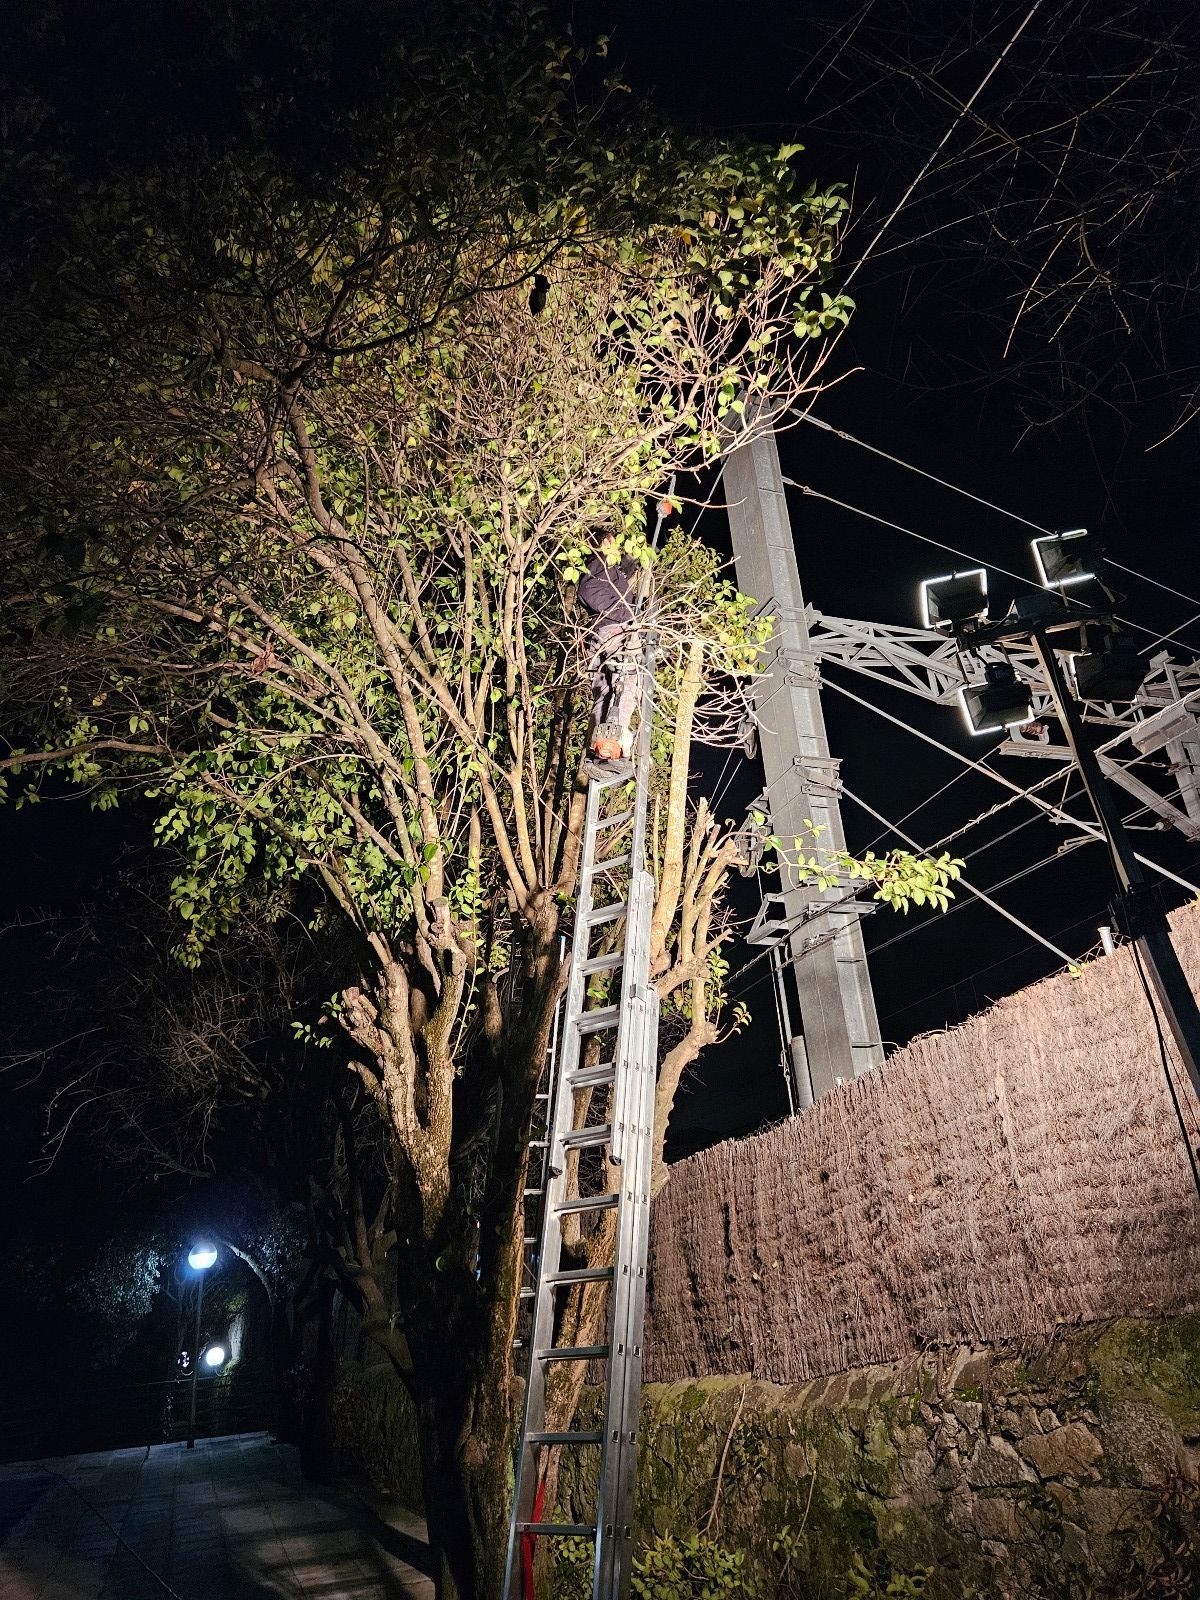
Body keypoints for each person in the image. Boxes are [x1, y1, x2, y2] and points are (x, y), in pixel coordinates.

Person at [577, 533, 644, 776]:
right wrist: (633, 618)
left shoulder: (609, 570)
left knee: (606, 691)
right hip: (613, 633)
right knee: (626, 681)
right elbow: (593, 592)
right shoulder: (594, 573)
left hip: (603, 638)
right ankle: (612, 744)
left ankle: (601, 747)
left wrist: (632, 558)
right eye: (610, 543)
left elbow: (621, 574)